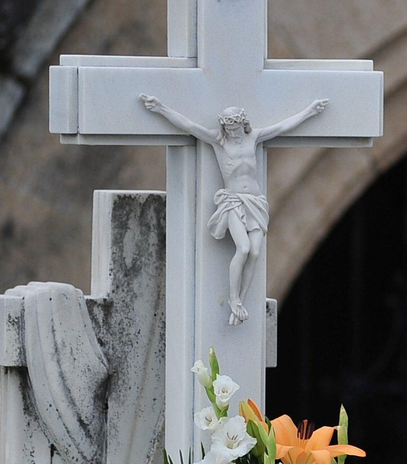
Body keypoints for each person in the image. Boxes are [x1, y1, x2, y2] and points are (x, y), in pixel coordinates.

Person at [138, 95, 329, 324]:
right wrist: (160, 108)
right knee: (244, 247)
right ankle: (234, 299)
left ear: (243, 124)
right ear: (224, 127)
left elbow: (283, 126)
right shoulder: (219, 142)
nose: (233, 132)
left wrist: (310, 111)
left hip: (255, 202)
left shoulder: (254, 137)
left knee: (255, 252)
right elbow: (189, 125)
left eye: (236, 127)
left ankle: (240, 302)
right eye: (229, 128)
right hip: (233, 202)